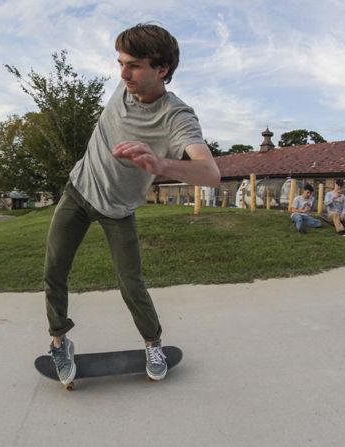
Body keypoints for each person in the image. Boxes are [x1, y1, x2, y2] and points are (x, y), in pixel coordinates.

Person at [44, 24, 220, 385]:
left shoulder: (177, 117)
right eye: (120, 63)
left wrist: (161, 164)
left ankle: (153, 342)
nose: (123, 74)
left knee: (131, 283)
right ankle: (59, 340)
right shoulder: (124, 84)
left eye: (135, 66)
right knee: (54, 270)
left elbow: (211, 173)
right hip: (78, 192)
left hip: (119, 210)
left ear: (162, 70)